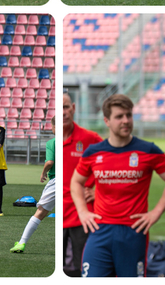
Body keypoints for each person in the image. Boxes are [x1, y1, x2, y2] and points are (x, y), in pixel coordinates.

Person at [71, 94, 165, 278]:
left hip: (133, 231)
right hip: (100, 230)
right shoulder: (93, 152)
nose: (126, 121)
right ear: (106, 120)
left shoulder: (148, 150)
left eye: (129, 115)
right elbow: (76, 181)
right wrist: (82, 211)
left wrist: (155, 213)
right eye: (119, 116)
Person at [62, 91, 103, 277]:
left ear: (73, 109)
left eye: (65, 107)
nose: (63, 112)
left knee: (84, 269)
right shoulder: (50, 142)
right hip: (56, 214)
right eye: (59, 108)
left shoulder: (90, 138)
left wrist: (99, 190)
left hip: (83, 214)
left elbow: (114, 161)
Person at [11, 116, 56, 253]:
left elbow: (50, 162)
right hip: (72, 180)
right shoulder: (74, 141)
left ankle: (22, 243)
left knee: (40, 213)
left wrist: (43, 173)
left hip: (57, 181)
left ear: (54, 127)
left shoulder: (52, 143)